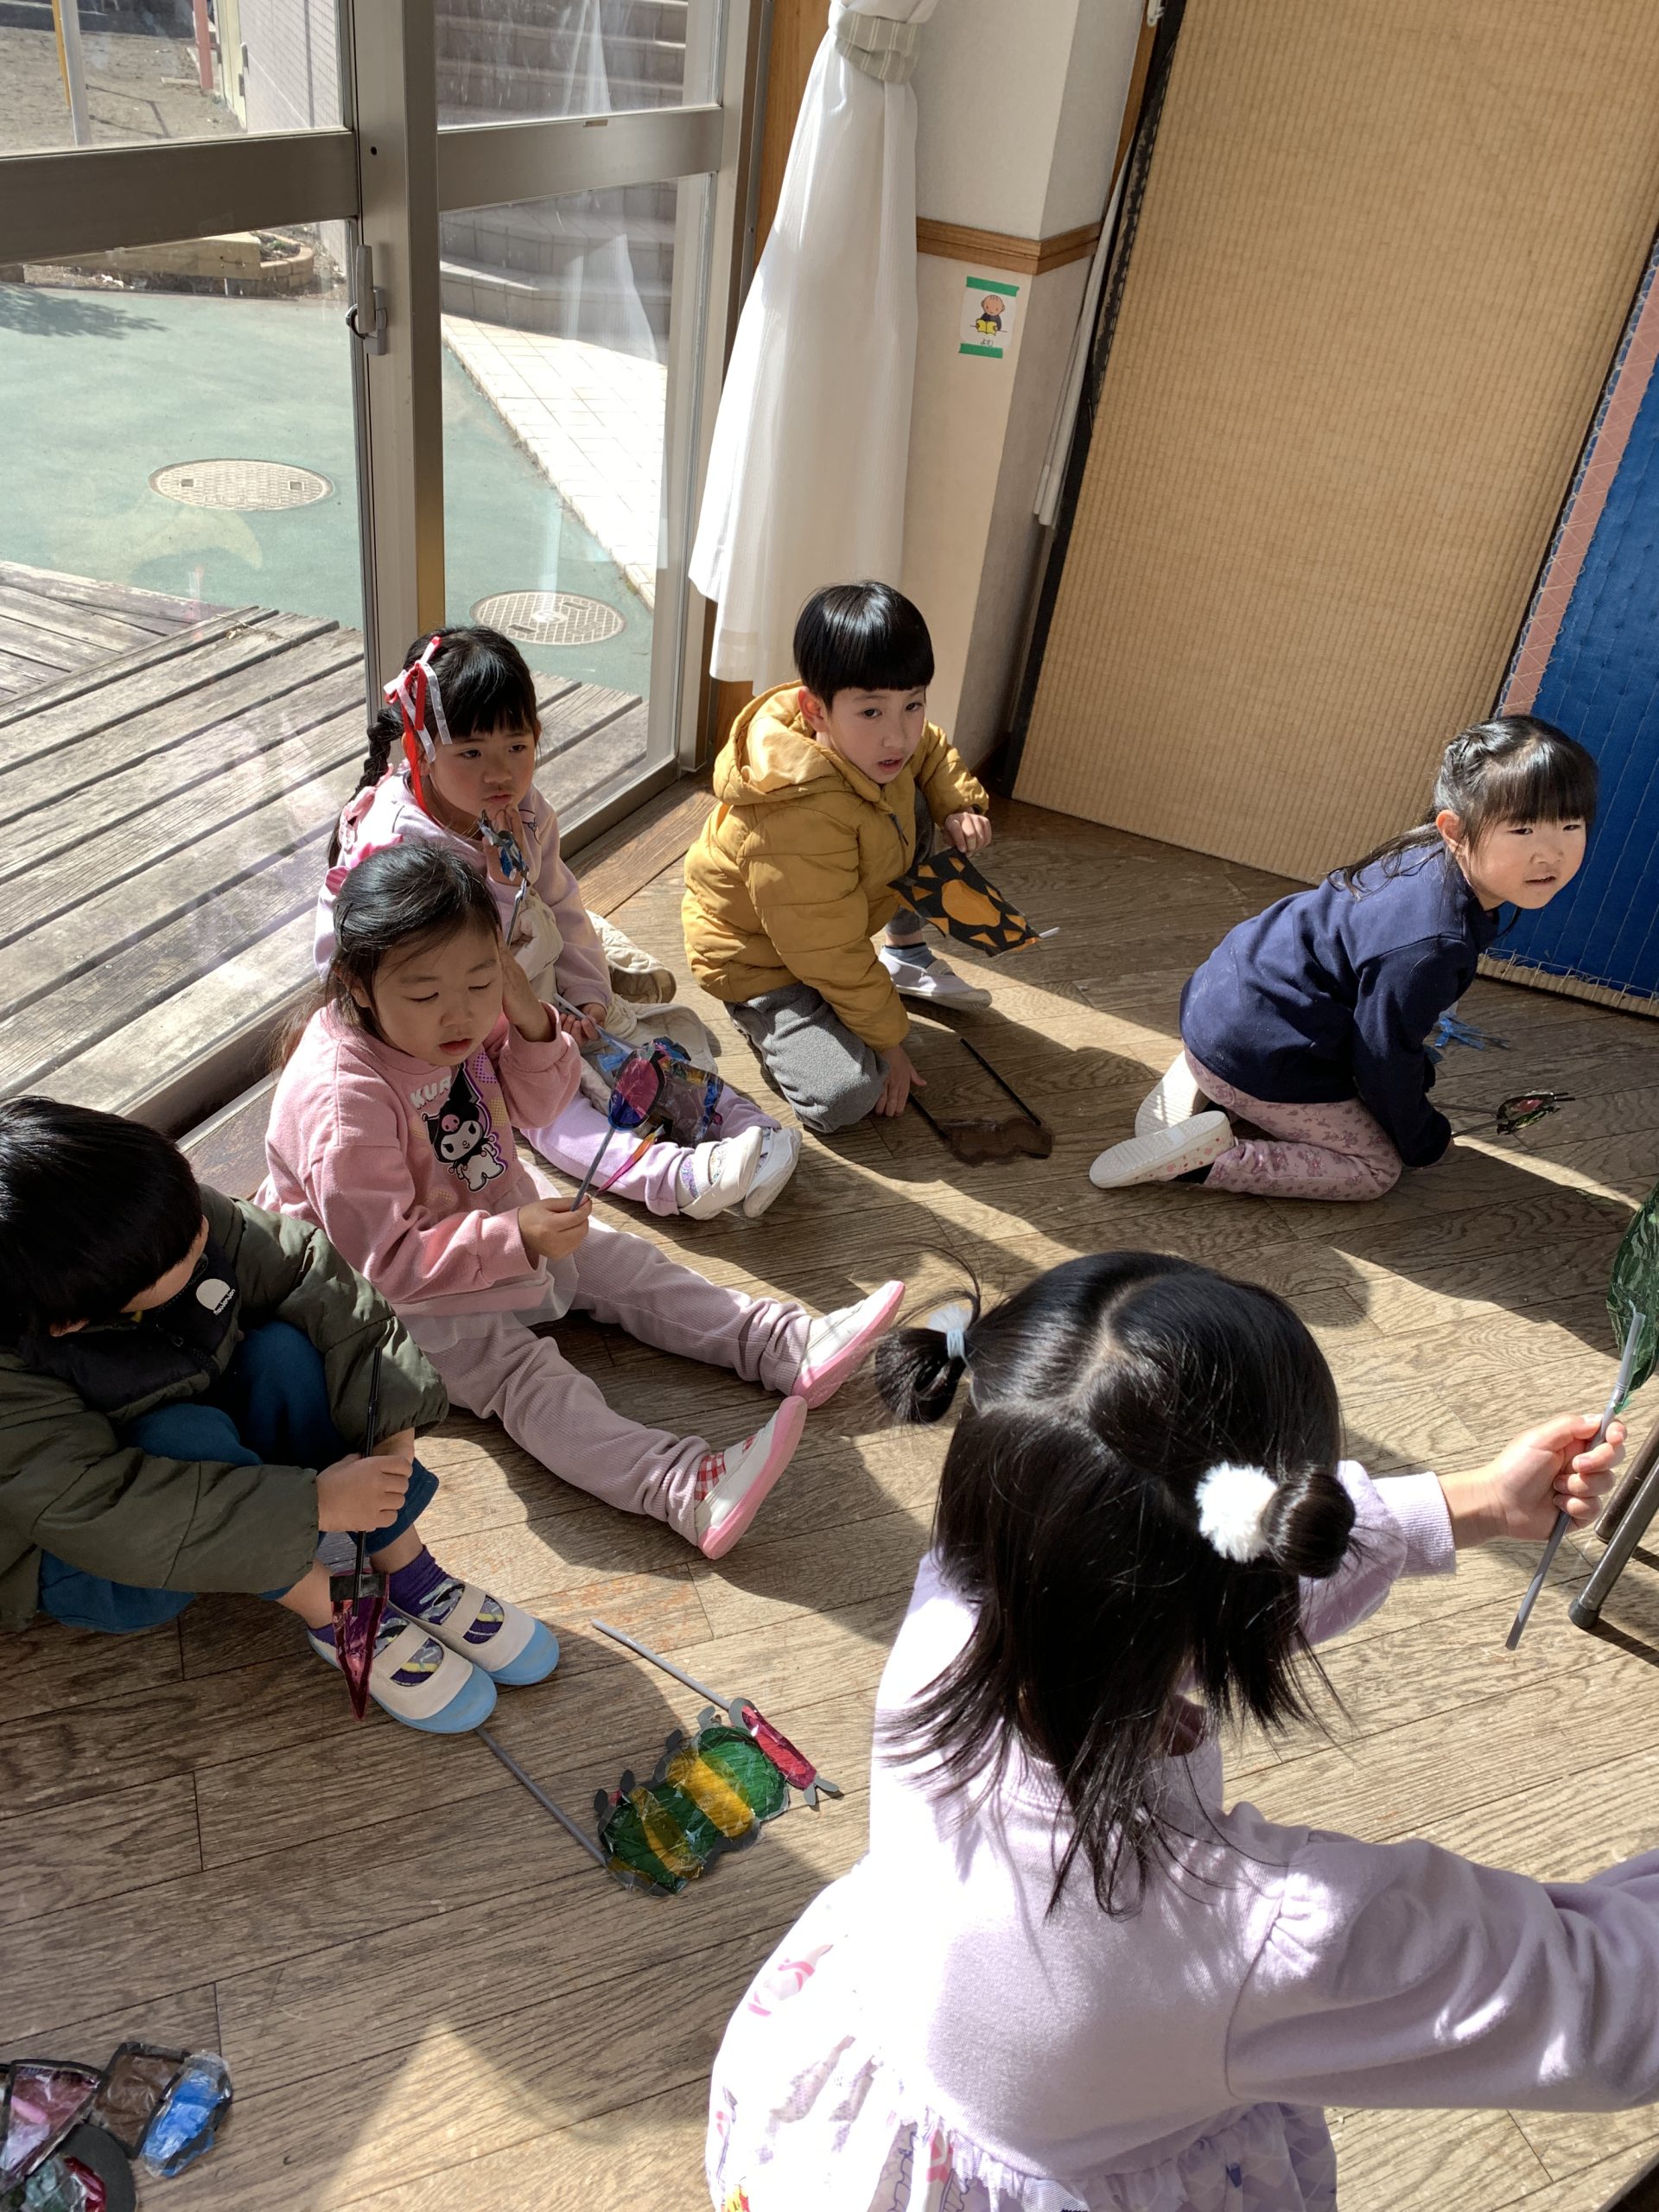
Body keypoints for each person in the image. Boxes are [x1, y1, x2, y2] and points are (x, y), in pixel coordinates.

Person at [704, 1251, 1647, 2211]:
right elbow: (1609, 1998)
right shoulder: (1263, 1929)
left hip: (855, 2113)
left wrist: (1474, 1502)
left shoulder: (962, 1595)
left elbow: (1154, 1572)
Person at [264, 842, 903, 1559]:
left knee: (623, 1263)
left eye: (482, 979)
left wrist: (529, 1019)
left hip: (481, 1214)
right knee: (522, 1375)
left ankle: (783, 1344)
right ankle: (680, 1487)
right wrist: (514, 1238)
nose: (459, 1014)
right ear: (355, 984)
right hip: (383, 1303)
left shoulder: (465, 1016)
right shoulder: (341, 1102)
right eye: (424, 995)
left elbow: (539, 1106)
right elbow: (384, 1262)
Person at [0, 1096, 551, 1733]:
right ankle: (337, 1612)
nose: (204, 1234)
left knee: (286, 1354)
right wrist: (311, 1506)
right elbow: (100, 1509)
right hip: (92, 1557)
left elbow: (313, 1275)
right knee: (182, 1436)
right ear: (71, 1320)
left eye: (193, 1211)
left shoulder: (165, 1222)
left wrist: (390, 1440)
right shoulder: (22, 1360)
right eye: (185, 1252)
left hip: (183, 1453)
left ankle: (409, 1570)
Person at [317, 626, 799, 1224]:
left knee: (628, 1045)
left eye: (517, 746)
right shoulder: (401, 846)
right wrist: (532, 1012)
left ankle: (750, 1130)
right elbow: (450, 968)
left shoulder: (522, 811)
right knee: (547, 1106)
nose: (500, 773)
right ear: (421, 747)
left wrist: (589, 992)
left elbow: (560, 900)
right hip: (432, 1017)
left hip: (517, 975)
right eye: (472, 753)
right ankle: (674, 1179)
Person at [1088, 715, 1598, 1199]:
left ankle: (1206, 1076)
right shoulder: (1433, 946)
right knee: (1375, 1170)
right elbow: (1382, 1060)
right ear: (1455, 830)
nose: (1550, 853)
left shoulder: (1420, 851)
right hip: (1256, 1048)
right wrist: (1423, 1136)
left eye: (1570, 826)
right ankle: (1207, 1161)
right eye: (1523, 830)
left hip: (1221, 1001)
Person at [682, 582, 996, 1135]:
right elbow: (828, 953)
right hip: (758, 962)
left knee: (916, 801)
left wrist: (958, 806)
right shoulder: (794, 819)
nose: (897, 734)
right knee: (846, 1097)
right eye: (872, 711)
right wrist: (891, 1040)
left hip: (826, 927)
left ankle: (904, 953)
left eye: (913, 703)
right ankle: (761, 1017)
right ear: (816, 710)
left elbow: (930, 747)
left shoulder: (881, 742)